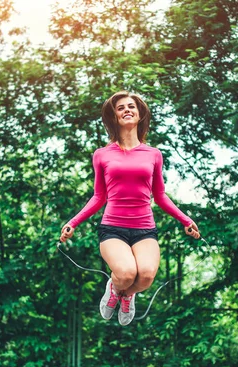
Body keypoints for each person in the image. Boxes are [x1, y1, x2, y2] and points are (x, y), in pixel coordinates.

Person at [59, 90, 200, 326]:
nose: (127, 110)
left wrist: (186, 220)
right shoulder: (102, 154)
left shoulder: (153, 154)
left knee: (145, 277)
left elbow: (161, 196)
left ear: (139, 114)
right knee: (125, 273)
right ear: (114, 117)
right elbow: (98, 196)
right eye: (121, 107)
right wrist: (73, 222)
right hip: (113, 228)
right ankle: (114, 288)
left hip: (144, 228)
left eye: (131, 106)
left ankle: (126, 294)